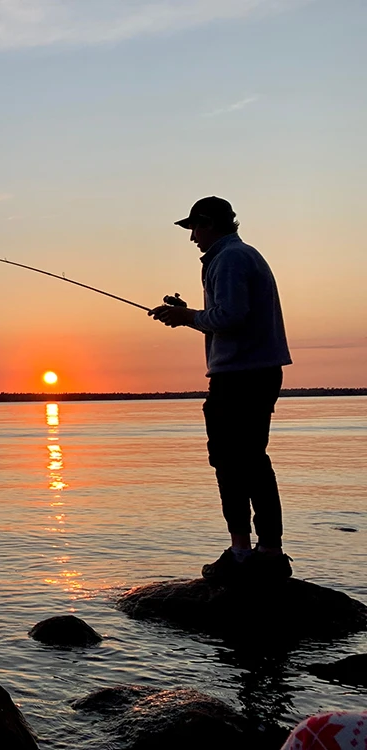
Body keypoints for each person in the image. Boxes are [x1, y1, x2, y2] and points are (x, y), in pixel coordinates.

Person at [149, 196, 293, 580]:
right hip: (255, 372)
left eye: (194, 228)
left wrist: (187, 316)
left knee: (232, 462)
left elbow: (230, 316)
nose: (192, 237)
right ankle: (266, 551)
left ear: (209, 223)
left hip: (241, 375)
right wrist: (190, 313)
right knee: (250, 460)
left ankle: (245, 552)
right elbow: (229, 314)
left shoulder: (228, 259)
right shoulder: (242, 256)